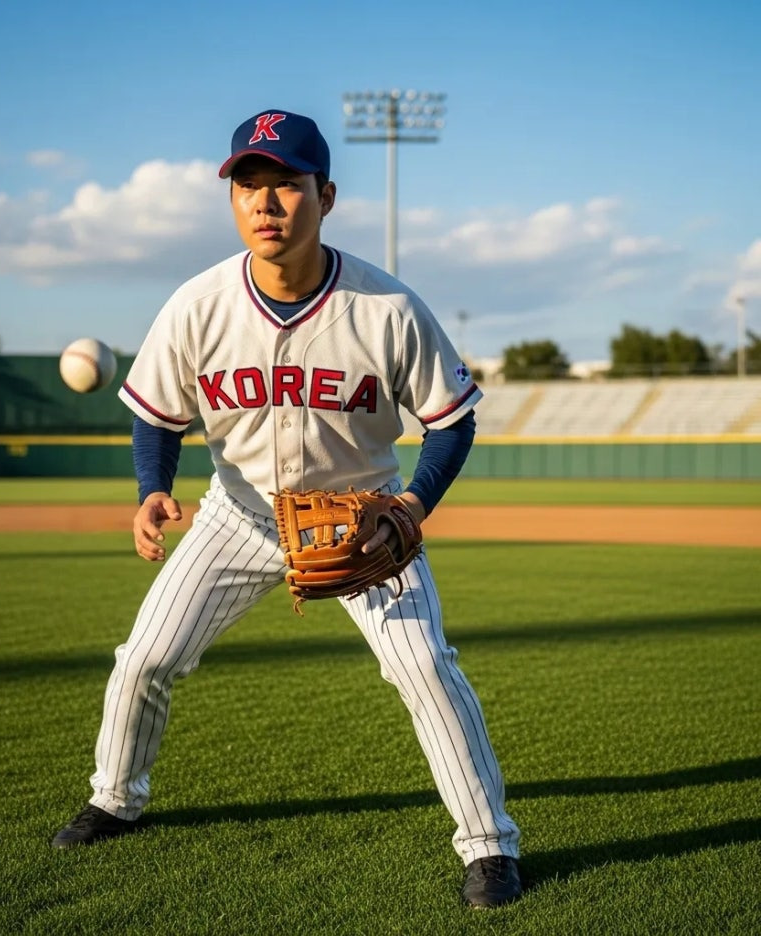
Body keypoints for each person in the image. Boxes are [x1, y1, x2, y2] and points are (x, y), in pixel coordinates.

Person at [51, 109, 523, 909]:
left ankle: (490, 849)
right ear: (232, 201)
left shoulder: (388, 307)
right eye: (248, 186)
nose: (265, 203)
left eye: (285, 185)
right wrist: (151, 489)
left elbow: (452, 418)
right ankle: (114, 800)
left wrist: (409, 505)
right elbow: (156, 415)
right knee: (144, 660)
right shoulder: (198, 305)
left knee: (425, 670)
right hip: (237, 516)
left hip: (363, 521)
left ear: (326, 196)